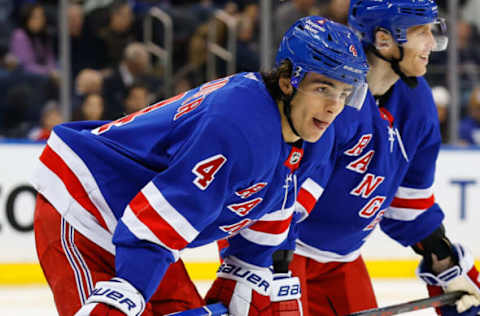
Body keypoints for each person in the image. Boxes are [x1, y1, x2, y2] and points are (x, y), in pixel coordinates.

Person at [31, 16, 369, 316]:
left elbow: (271, 209)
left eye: (344, 93)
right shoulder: (238, 126)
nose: (333, 107)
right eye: (323, 88)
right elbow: (165, 215)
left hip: (144, 229)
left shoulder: (312, 136)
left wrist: (246, 271)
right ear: (286, 81)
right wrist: (129, 289)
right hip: (88, 203)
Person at [282, 1, 480, 316]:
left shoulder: (418, 103)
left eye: (432, 30)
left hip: (341, 259)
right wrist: (267, 267)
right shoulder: (333, 98)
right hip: (280, 248)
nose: (432, 43)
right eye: (421, 32)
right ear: (385, 40)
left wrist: (443, 260)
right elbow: (285, 196)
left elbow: (408, 204)